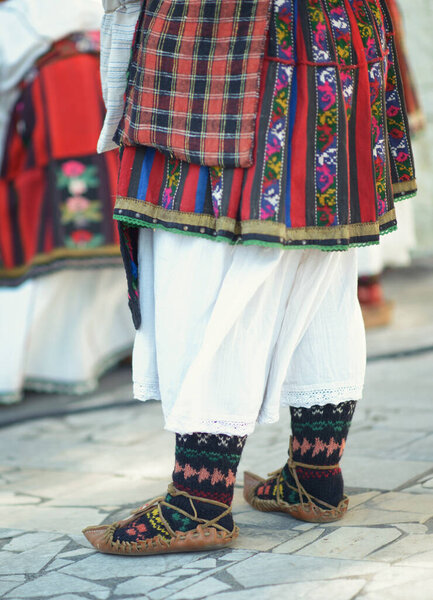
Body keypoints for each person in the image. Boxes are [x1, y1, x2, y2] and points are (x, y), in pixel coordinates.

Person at [83, 0, 416, 555]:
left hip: (238, 50)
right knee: (320, 267)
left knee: (212, 271)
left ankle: (198, 501)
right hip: (339, 39)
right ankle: (315, 473)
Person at [0, 0, 134, 403]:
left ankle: (35, 365)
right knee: (109, 217)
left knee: (40, 221)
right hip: (101, 100)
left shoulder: (17, 16)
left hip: (56, 104)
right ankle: (106, 349)